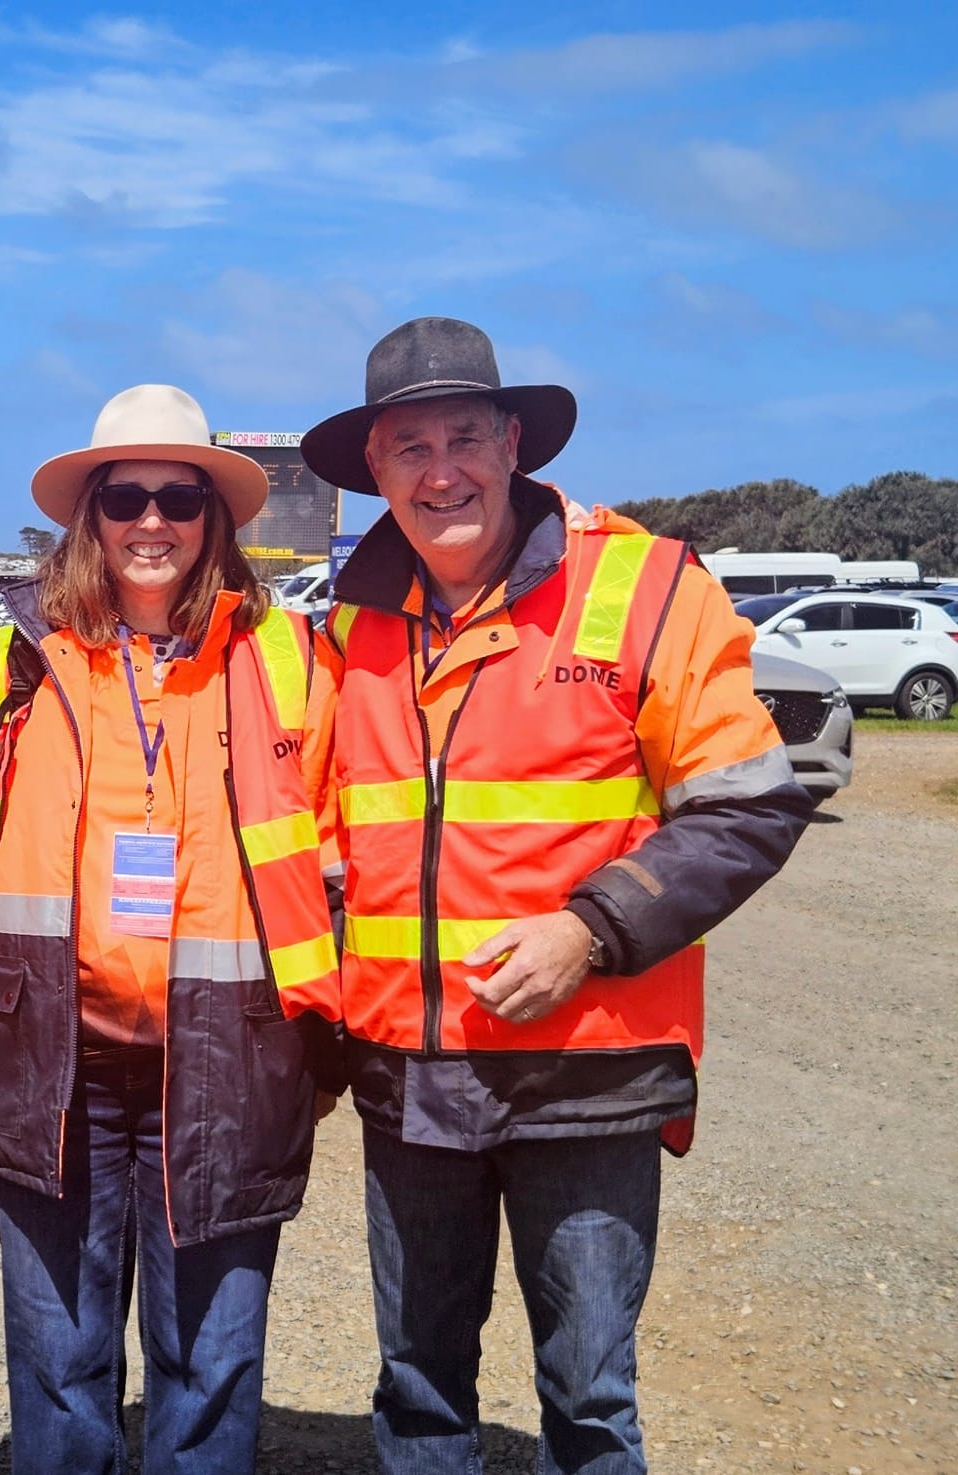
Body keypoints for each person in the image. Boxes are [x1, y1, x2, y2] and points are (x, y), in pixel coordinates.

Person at [298, 317, 812, 1472]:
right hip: (408, 1077)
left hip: (586, 1076)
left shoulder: (645, 586)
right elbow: (322, 843)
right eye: (408, 446)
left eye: (462, 437)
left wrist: (589, 928)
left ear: (512, 443)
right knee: (416, 1386)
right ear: (373, 469)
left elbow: (748, 805)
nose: (439, 471)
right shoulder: (349, 628)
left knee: (585, 1397)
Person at [0, 385, 341, 1475]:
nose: (151, 522)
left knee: (210, 1364)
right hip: (49, 1068)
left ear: (214, 518)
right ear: (90, 517)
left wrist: (326, 1052)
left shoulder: (289, 662)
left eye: (178, 498)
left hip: (228, 1066)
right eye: (125, 499)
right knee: (59, 1364)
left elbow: (344, 871)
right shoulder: (13, 665)